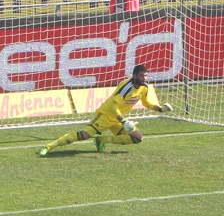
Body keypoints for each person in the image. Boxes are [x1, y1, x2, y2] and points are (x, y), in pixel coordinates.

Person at [38, 65, 173, 156]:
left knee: (137, 138)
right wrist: (124, 121)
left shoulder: (144, 87)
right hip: (106, 114)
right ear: (135, 75)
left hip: (118, 118)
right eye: (142, 76)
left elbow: (146, 103)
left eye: (146, 75)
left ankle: (102, 140)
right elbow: (113, 107)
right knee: (85, 135)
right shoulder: (126, 87)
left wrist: (160, 109)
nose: (145, 78)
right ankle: (49, 146)